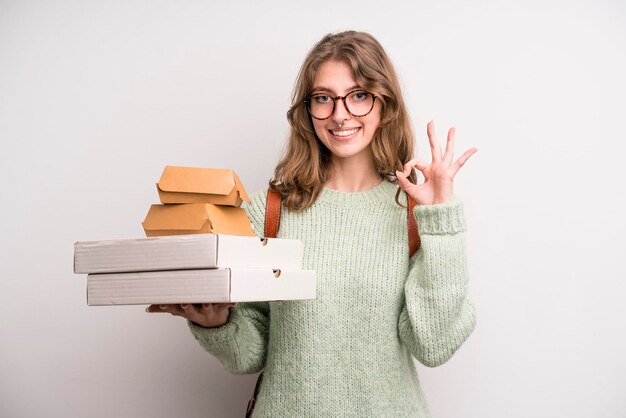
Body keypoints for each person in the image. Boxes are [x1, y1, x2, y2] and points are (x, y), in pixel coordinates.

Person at [147, 30, 477, 417]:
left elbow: (433, 344)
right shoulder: (270, 211)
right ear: (307, 110)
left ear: (384, 105)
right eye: (323, 98)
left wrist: (440, 219)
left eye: (358, 95)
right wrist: (218, 324)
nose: (340, 114)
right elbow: (248, 356)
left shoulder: (413, 212)